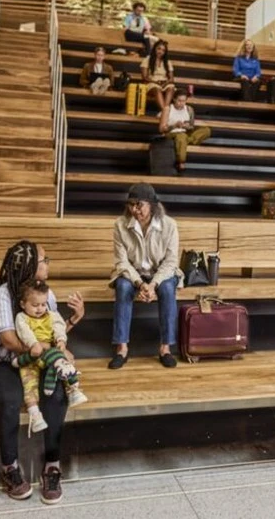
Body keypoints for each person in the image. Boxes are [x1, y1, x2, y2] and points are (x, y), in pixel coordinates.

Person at [0, 241, 85, 505]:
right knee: (11, 398)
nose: (48, 264)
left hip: (35, 362)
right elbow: (10, 341)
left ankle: (52, 466)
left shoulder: (48, 294)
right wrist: (53, 351)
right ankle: (9, 468)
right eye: (45, 260)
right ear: (29, 266)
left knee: (56, 393)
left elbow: (52, 332)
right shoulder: (5, 294)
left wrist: (72, 320)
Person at [109, 183, 183, 369]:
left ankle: (165, 348)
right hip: (134, 274)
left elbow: (171, 262)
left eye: (139, 204)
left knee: (167, 288)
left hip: (161, 274)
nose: (134, 209)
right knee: (123, 287)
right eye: (131, 204)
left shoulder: (169, 225)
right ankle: (122, 348)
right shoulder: (120, 225)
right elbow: (122, 263)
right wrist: (140, 283)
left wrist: (153, 284)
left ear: (152, 205)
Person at [11, 279, 88, 437]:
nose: (40, 309)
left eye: (43, 304)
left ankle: (72, 388)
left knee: (61, 362)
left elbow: (59, 326)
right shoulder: (22, 318)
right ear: (23, 304)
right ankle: (35, 414)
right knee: (29, 383)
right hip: (31, 356)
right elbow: (24, 331)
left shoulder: (51, 315)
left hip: (49, 355)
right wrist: (33, 343)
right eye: (35, 305)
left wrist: (61, 340)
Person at [159, 88, 211, 173]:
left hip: (185, 132)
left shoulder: (189, 109)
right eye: (179, 101)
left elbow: (191, 126)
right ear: (174, 99)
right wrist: (175, 125)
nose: (181, 103)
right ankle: (181, 161)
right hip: (172, 133)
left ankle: (186, 141)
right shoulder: (168, 109)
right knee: (181, 136)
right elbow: (161, 129)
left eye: (184, 101)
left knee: (206, 130)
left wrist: (187, 126)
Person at [140, 39, 175, 113]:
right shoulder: (147, 59)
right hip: (151, 83)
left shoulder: (167, 62)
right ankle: (165, 112)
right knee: (157, 89)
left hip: (164, 83)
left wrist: (165, 83)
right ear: (155, 48)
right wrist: (156, 82)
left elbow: (171, 78)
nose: (160, 51)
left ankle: (165, 111)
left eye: (163, 50)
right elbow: (144, 77)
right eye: (159, 48)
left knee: (171, 88)